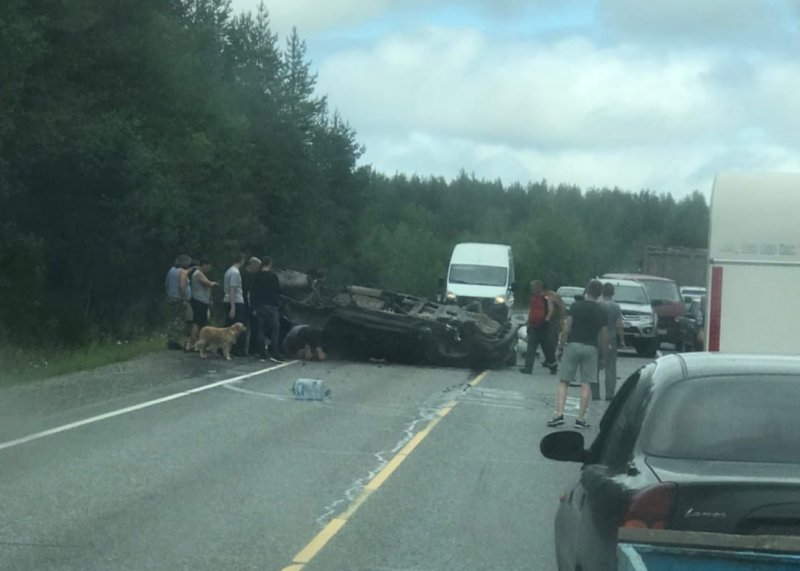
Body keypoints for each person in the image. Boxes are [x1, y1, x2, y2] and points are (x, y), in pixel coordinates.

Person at [548, 279, 609, 429]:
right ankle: (580, 419)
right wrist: (602, 355)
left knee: (564, 381)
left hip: (573, 345)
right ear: (600, 294)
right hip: (591, 348)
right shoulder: (602, 312)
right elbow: (605, 336)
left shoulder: (576, 307)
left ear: (586, 291)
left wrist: (560, 347)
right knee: (586, 384)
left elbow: (566, 328)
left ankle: (559, 414)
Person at [593, 282, 625, 401]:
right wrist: (622, 340)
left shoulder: (597, 305)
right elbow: (619, 325)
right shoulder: (616, 307)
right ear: (612, 293)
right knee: (610, 367)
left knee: (595, 366)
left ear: (602, 292)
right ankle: (609, 393)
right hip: (611, 338)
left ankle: (595, 394)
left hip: (596, 337)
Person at [520, 280, 557, 374]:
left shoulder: (546, 297)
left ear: (538, 287)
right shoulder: (533, 298)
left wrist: (546, 321)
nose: (532, 289)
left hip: (544, 326)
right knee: (531, 347)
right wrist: (528, 323)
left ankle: (553, 365)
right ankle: (528, 368)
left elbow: (551, 310)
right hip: (533, 326)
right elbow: (531, 311)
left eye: (533, 287)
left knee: (547, 348)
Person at [250, 256, 282, 360]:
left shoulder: (256, 277)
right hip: (272, 305)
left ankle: (261, 352)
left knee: (261, 329)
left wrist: (253, 306)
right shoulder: (273, 276)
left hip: (260, 306)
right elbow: (278, 291)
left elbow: (252, 293)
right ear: (270, 264)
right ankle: (274, 351)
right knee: (274, 329)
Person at [187, 257, 218, 351]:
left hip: (201, 300)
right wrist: (214, 284)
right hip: (199, 300)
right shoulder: (198, 274)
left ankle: (200, 343)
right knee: (197, 322)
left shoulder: (198, 273)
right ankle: (192, 343)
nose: (209, 269)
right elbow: (208, 283)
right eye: (208, 267)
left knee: (202, 323)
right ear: (204, 265)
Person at [165, 254, 193, 350]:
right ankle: (174, 341)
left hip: (171, 297)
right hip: (179, 299)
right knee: (178, 321)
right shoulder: (182, 272)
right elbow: (182, 285)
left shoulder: (171, 270)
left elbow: (167, 284)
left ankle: (170, 339)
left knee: (172, 319)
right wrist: (183, 298)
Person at [223, 253, 247, 356]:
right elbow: (232, 289)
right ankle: (235, 350)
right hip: (235, 301)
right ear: (241, 260)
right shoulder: (235, 273)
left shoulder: (229, 271)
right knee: (237, 328)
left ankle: (225, 348)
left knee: (228, 326)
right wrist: (233, 307)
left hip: (228, 300)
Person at [243, 256, 261, 356]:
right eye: (257, 266)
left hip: (250, 304)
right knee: (245, 327)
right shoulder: (245, 275)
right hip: (247, 304)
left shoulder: (253, 276)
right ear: (252, 265)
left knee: (254, 327)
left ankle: (251, 349)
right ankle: (244, 348)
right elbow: (249, 292)